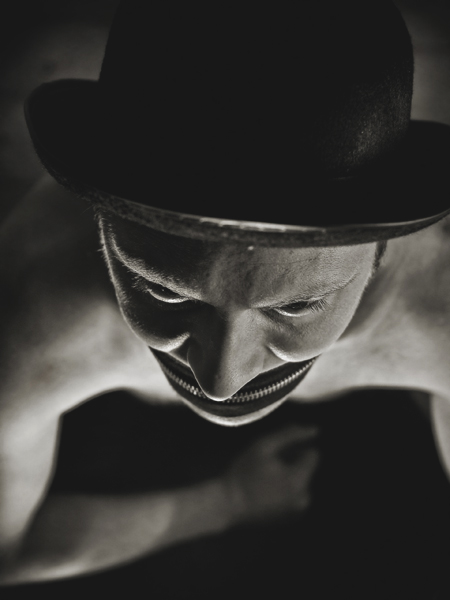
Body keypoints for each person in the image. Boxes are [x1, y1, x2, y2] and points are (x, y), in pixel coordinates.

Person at [1, 0, 450, 587]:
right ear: (102, 227)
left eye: (296, 305)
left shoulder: (439, 314)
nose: (221, 381)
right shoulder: (28, 310)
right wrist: (226, 502)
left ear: (383, 248)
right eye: (163, 290)